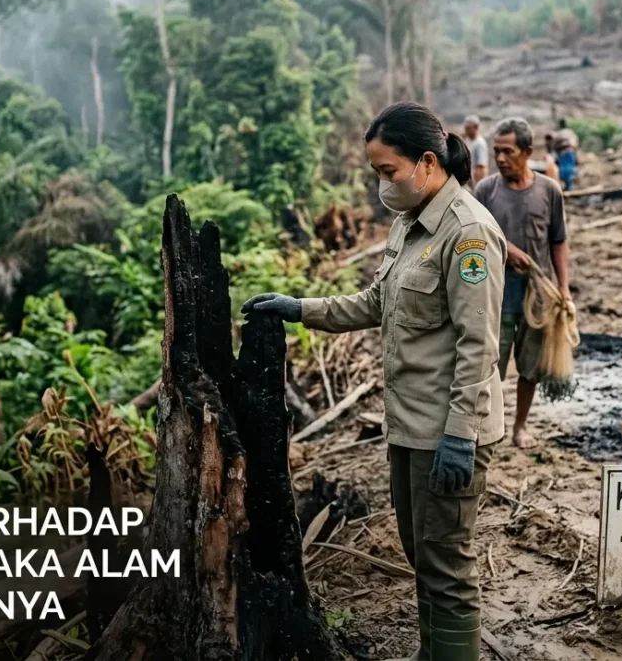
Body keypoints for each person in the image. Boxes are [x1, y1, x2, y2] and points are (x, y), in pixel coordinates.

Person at [244, 102, 506, 661]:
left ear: (427, 162)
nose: (382, 185)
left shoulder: (468, 236)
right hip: (411, 424)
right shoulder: (410, 223)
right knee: (421, 553)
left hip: (449, 432)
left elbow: (479, 344)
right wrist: (300, 308)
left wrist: (461, 434)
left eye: (388, 172)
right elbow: (376, 302)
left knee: (447, 568)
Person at [473, 117, 571, 450]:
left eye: (508, 152)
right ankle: (490, 427)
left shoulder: (549, 190)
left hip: (537, 294)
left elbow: (558, 240)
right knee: (489, 364)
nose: (500, 159)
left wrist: (564, 288)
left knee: (529, 365)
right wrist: (507, 249)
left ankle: (520, 426)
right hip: (495, 294)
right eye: (496, 151)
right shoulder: (486, 190)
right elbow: (473, 238)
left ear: (527, 152)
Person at [463, 115, 488, 185]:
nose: (466, 131)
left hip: (475, 181)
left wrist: (477, 185)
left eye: (468, 128)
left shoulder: (480, 144)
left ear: (475, 127)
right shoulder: (468, 140)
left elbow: (481, 167)